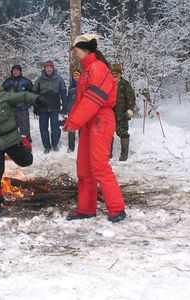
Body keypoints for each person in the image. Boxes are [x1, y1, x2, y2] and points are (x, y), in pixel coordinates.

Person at [63, 34, 126, 223]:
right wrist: (71, 120)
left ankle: (117, 209)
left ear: (85, 49)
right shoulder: (86, 70)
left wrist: (75, 121)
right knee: (84, 168)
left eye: (76, 50)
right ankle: (86, 208)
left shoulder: (98, 68)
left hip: (100, 119)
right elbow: (81, 100)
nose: (75, 54)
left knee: (99, 166)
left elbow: (93, 99)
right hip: (89, 121)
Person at [0, 75, 46, 216]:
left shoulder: (3, 97)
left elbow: (22, 96)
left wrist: (36, 99)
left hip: (10, 138)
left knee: (26, 161)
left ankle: (25, 145)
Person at [33, 60, 67, 154]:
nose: (49, 69)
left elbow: (63, 92)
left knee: (55, 127)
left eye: (50, 67)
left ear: (53, 68)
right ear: (45, 68)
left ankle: (55, 144)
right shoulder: (40, 79)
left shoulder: (59, 78)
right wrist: (35, 104)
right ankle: (47, 146)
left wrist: (64, 106)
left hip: (55, 107)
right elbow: (34, 92)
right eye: (47, 67)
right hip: (43, 108)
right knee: (43, 127)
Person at [111, 63, 136, 161]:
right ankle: (108, 153)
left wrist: (130, 110)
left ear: (120, 74)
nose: (115, 74)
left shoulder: (125, 84)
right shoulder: (108, 83)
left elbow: (131, 98)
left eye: (117, 73)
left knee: (123, 133)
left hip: (122, 113)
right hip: (109, 113)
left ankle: (124, 154)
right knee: (108, 134)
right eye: (113, 72)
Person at [2, 65, 34, 142]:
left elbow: (32, 93)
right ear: (12, 71)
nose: (15, 72)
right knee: (12, 127)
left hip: (23, 109)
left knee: (24, 127)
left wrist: (28, 103)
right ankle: (14, 144)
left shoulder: (26, 81)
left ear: (20, 71)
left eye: (17, 70)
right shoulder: (7, 82)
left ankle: (27, 143)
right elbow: (2, 93)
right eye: (14, 70)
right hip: (11, 109)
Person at [66, 70, 81, 153]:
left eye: (77, 75)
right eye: (74, 76)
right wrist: (67, 108)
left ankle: (82, 146)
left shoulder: (84, 85)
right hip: (72, 110)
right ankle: (71, 147)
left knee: (82, 130)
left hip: (81, 110)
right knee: (71, 129)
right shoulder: (70, 86)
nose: (76, 77)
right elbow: (68, 98)